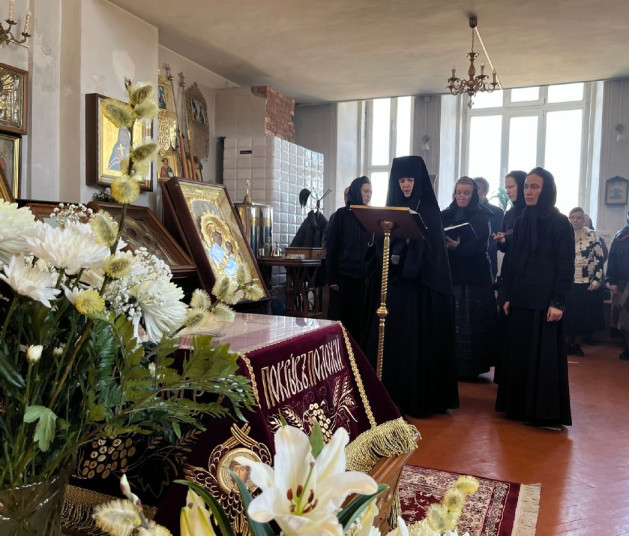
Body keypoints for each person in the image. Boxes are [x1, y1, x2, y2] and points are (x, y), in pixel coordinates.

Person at [364, 156, 459, 417]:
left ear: (419, 182)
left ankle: (415, 396)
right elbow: (378, 249)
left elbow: (434, 255)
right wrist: (393, 247)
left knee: (414, 345)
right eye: (401, 180)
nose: (406, 185)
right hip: (394, 288)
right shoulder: (390, 209)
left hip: (419, 292)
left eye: (410, 180)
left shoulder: (428, 210)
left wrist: (411, 247)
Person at [496, 167, 574, 427]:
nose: (528, 192)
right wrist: (507, 295)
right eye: (526, 186)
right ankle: (518, 407)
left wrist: (558, 301)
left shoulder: (560, 223)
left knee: (543, 358)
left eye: (534, 187)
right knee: (519, 354)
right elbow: (514, 261)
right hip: (520, 298)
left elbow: (565, 265)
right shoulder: (520, 221)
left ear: (546, 190)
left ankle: (542, 412)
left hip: (545, 302)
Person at [441, 177, 497, 378]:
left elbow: (479, 245)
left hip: (475, 277)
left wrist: (458, 247)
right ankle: (452, 364)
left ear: (473, 195)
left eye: (466, 193)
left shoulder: (482, 216)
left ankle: (472, 367)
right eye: (459, 192)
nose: (462, 196)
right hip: (453, 274)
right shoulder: (446, 214)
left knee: (472, 324)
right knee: (453, 322)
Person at [325, 177, 372, 341]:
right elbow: (332, 246)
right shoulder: (341, 215)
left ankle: (357, 355)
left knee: (359, 321)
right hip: (342, 278)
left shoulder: (370, 215)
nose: (369, 195)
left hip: (363, 279)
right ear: (357, 191)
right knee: (340, 322)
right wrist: (331, 277)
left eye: (370, 192)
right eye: (365, 191)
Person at [492, 170, 527, 383]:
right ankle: (504, 376)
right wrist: (502, 241)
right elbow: (506, 247)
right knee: (504, 324)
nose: (508, 191)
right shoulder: (509, 214)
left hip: (524, 274)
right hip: (508, 271)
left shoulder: (531, 213)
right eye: (506, 187)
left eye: (512, 186)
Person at [564, 207, 605, 355]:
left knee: (580, 315)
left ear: (584, 220)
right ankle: (566, 344)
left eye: (579, 217)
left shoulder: (592, 235)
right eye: (572, 217)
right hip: (567, 280)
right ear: (569, 218)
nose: (575, 220)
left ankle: (576, 344)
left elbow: (599, 258)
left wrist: (596, 280)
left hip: (585, 281)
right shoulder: (564, 233)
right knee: (567, 314)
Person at [606, 213, 629, 360]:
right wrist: (612, 281)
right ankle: (627, 347)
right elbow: (612, 260)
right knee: (625, 319)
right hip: (623, 284)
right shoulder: (620, 236)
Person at [474, 177, 504, 280]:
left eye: (477, 188)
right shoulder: (465, 210)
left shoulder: (497, 212)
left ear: (485, 191)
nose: (475, 191)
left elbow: (496, 239)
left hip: (488, 261)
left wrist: (480, 251)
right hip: (467, 262)